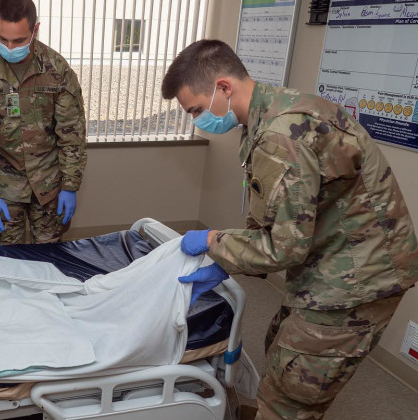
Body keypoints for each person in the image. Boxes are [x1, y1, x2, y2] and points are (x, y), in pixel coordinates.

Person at [161, 39, 418, 419]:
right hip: (333, 256)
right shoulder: (269, 113)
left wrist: (215, 243)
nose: (198, 120)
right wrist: (230, 260)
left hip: (358, 278)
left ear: (224, 88)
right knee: (278, 347)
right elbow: (272, 214)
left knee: (291, 391)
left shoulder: (281, 137)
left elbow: (284, 250)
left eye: (197, 109)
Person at [0, 0, 87, 244]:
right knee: (9, 263)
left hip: (50, 184)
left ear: (35, 29)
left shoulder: (57, 70)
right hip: (5, 187)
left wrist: (70, 185)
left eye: (18, 41)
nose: (9, 47)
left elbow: (72, 133)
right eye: (2, 38)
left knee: (50, 262)